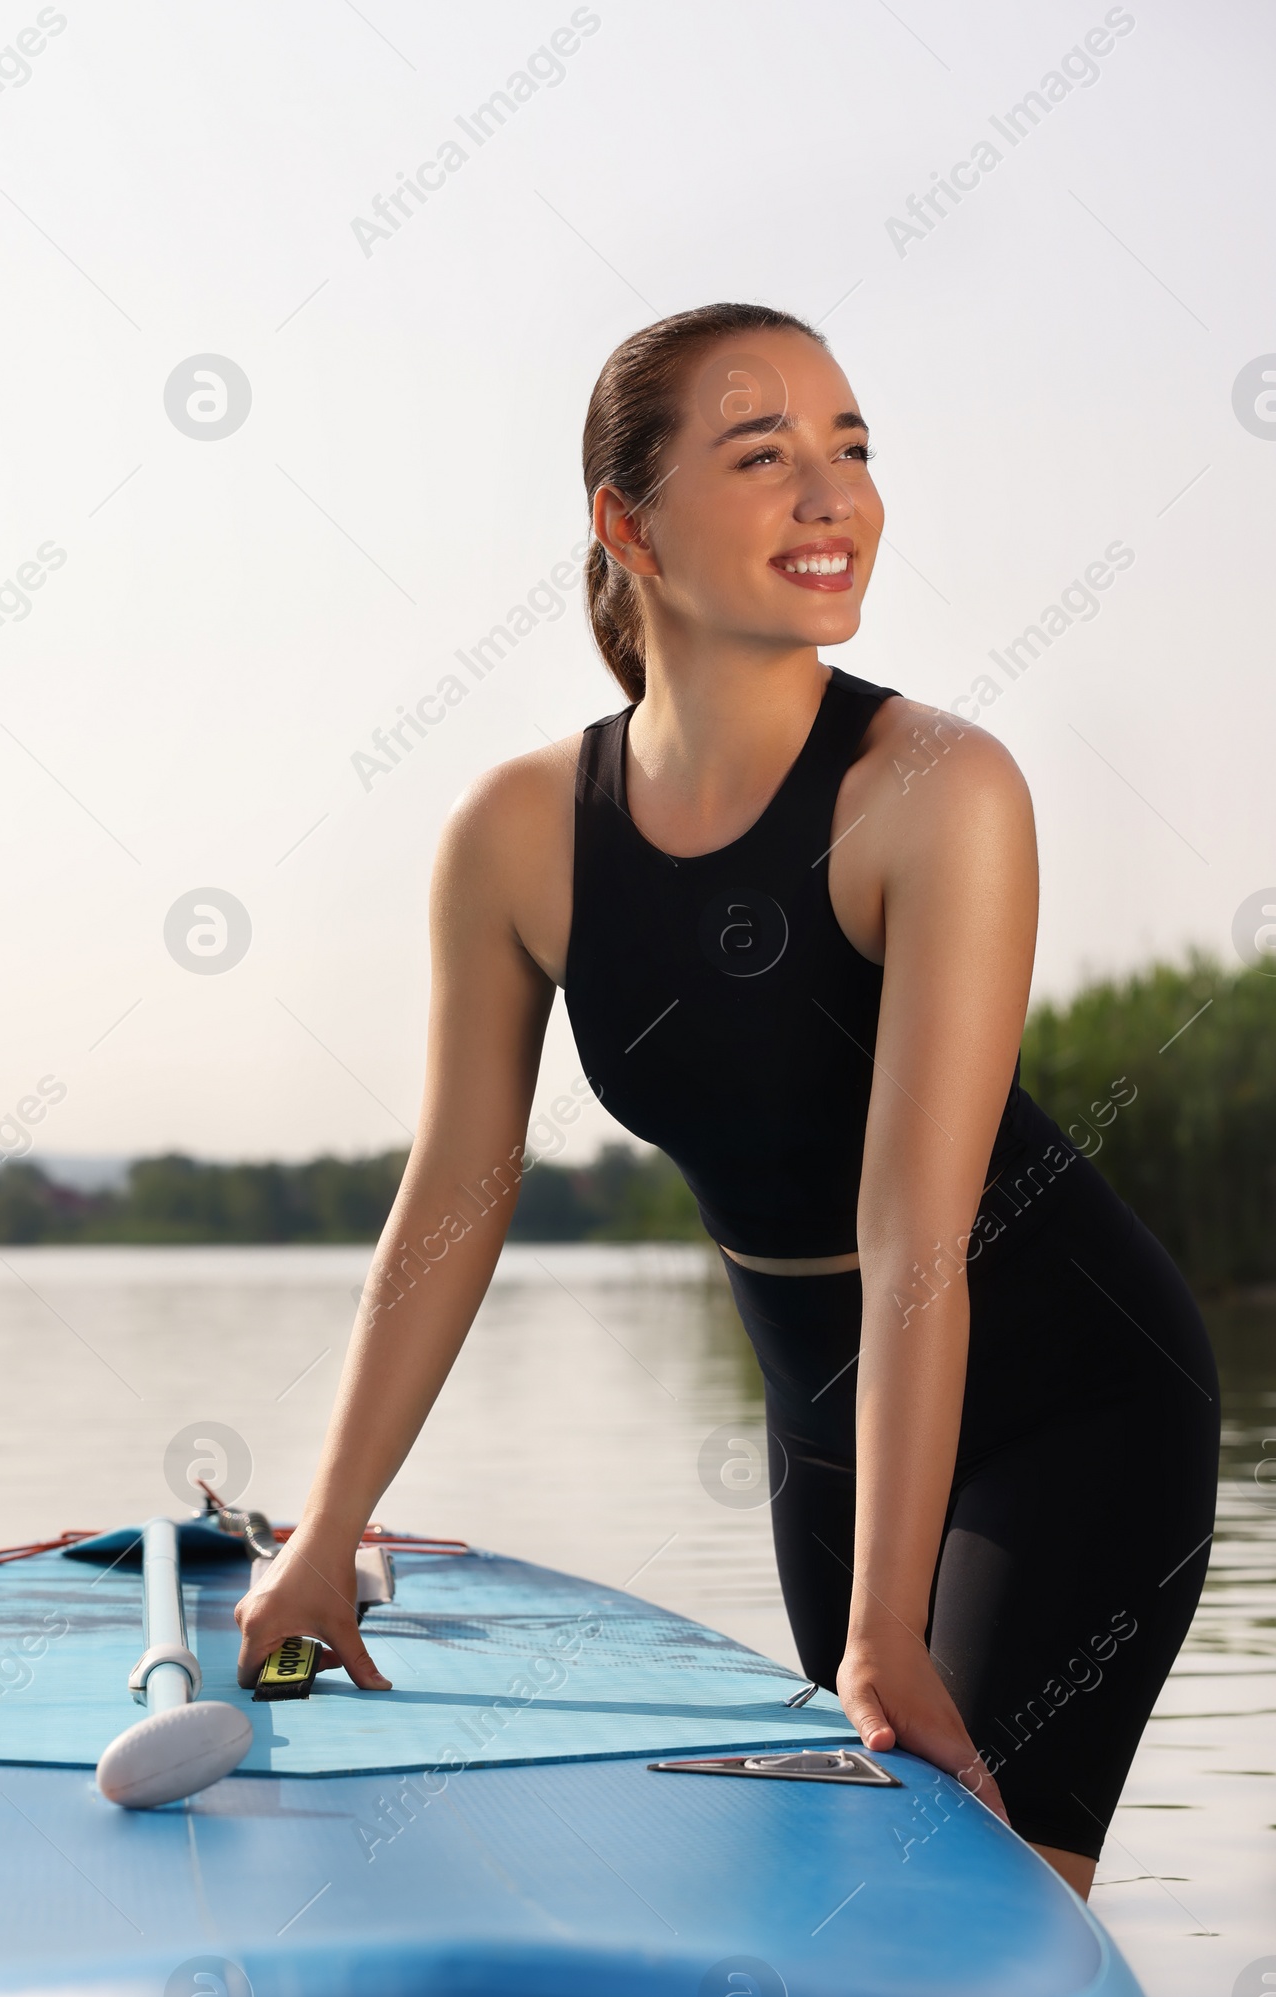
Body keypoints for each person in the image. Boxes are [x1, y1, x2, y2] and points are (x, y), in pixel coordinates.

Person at [235, 300, 1220, 1901]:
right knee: (858, 1894)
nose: (833, 497)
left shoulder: (935, 791)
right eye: (766, 457)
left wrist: (886, 1623)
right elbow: (455, 1197)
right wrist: (328, 1525)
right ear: (628, 523)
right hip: (826, 1417)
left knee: (978, 1902)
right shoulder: (520, 833)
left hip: (1066, 1398)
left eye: (852, 451)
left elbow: (917, 1237)